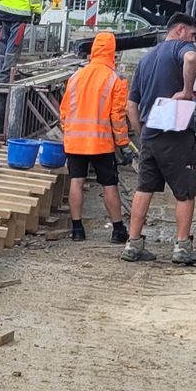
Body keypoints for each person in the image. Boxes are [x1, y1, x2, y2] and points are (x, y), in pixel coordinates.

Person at [122, 11, 196, 265]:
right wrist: (187, 91)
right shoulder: (182, 48)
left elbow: (130, 106)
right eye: (192, 34)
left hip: (150, 134)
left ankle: (133, 244)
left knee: (144, 188)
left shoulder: (146, 59)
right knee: (185, 191)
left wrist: (141, 133)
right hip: (176, 133)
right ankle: (182, 247)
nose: (194, 40)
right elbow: (191, 58)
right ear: (179, 30)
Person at [59, 30, 135, 241]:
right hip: (101, 142)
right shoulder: (115, 79)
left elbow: (64, 111)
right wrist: (123, 143)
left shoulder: (75, 76)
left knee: (76, 181)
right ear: (113, 52)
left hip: (75, 140)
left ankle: (77, 230)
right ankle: (118, 231)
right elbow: (117, 116)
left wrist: (70, 132)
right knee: (109, 184)